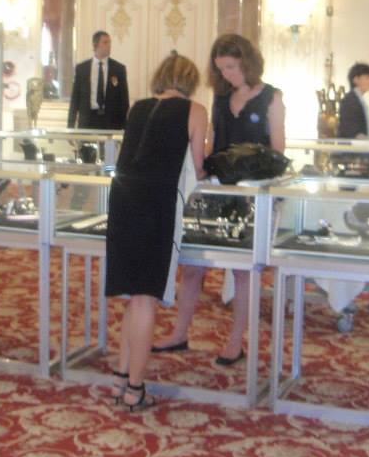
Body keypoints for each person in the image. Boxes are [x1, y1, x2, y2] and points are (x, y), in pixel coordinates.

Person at [154, 33, 286, 365]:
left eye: (231, 67)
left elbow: (278, 152)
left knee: (242, 271)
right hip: (216, 189)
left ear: (247, 62)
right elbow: (213, 143)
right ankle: (180, 332)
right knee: (192, 267)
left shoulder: (271, 98)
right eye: (221, 68)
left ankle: (235, 341)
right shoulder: (220, 96)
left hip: (250, 193)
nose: (227, 74)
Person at [105, 53, 207, 410]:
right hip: (156, 204)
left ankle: (121, 379)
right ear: (190, 81)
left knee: (134, 298)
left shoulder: (138, 107)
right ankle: (135, 388)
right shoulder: (196, 111)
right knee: (146, 297)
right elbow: (199, 166)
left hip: (122, 200)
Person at [68, 30, 129, 130]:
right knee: (87, 141)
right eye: (105, 42)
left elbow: (124, 100)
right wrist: (70, 125)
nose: (109, 45)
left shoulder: (118, 69)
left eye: (109, 42)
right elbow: (75, 97)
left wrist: (125, 126)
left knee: (109, 142)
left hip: (111, 121)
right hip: (87, 120)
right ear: (95, 45)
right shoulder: (82, 68)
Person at [338, 62, 369, 138]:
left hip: (362, 144)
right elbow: (351, 130)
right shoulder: (350, 101)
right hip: (353, 145)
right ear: (356, 79)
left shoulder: (359, 99)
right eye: (367, 78)